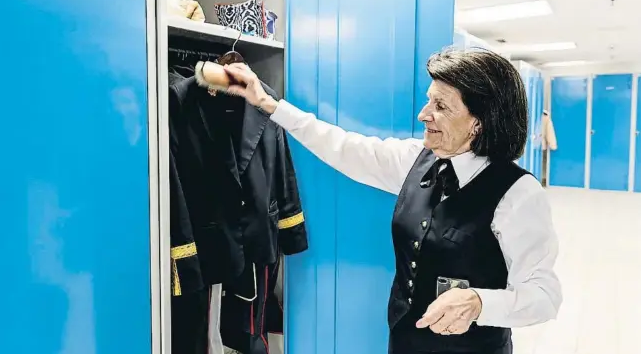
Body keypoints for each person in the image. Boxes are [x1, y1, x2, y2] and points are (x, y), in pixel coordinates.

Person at [222, 48, 562, 354]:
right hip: (404, 343)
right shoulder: (417, 159)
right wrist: (269, 105)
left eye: (441, 106)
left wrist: (479, 302)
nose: (424, 115)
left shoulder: (518, 194)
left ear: (479, 122)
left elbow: (545, 296)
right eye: (429, 101)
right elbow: (342, 147)